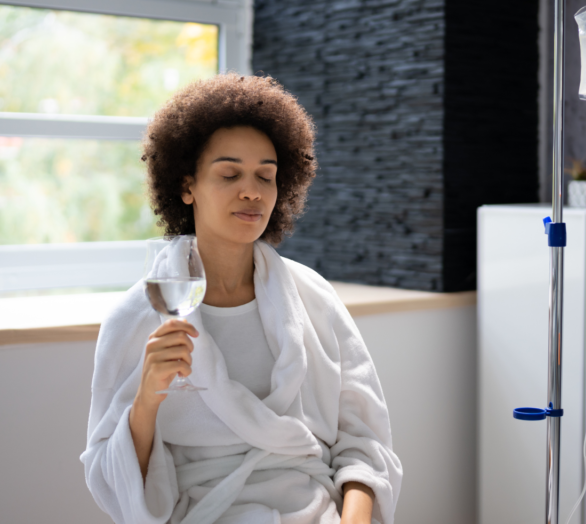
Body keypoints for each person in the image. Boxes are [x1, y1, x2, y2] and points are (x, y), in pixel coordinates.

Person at [80, 73, 402, 524]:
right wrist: (147, 401)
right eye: (229, 173)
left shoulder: (313, 298)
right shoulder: (136, 316)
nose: (251, 190)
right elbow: (109, 476)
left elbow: (365, 445)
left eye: (265, 176)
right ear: (186, 185)